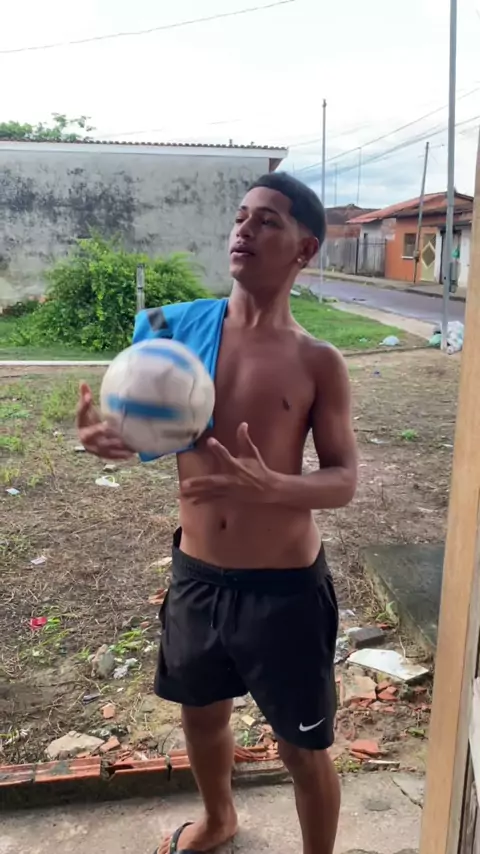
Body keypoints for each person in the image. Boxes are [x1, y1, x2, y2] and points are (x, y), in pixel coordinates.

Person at [77, 172, 358, 854]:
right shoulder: (172, 334)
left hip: (284, 590)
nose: (244, 230)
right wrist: (110, 440)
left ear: (305, 249)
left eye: (267, 221)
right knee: (202, 720)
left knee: (301, 748)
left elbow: (344, 481)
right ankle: (219, 818)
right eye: (240, 216)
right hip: (198, 577)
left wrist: (274, 486)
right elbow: (143, 428)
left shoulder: (317, 361)